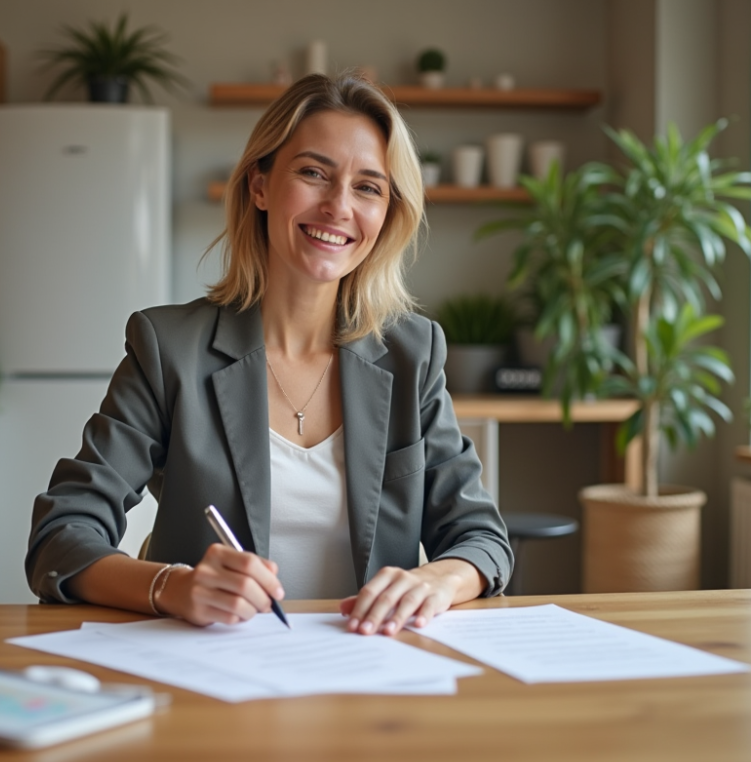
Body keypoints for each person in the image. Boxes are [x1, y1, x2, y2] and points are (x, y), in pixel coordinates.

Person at [26, 73, 513, 637]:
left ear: (386, 216)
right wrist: (170, 586)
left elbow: (482, 538)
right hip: (210, 674)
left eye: (368, 187)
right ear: (259, 185)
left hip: (372, 674)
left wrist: (440, 580)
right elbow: (60, 536)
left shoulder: (412, 353)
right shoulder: (169, 349)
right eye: (313, 173)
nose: (338, 207)